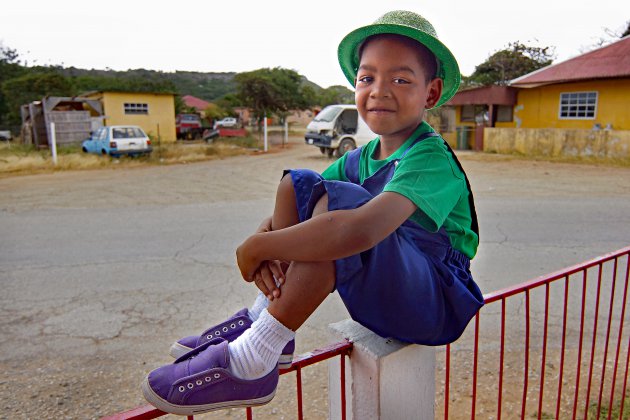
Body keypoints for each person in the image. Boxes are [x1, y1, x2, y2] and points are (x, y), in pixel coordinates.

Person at [142, 10, 484, 415]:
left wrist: (259, 247)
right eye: (367, 77)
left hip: (432, 302)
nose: (379, 90)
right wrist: (262, 241)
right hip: (394, 289)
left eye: (401, 79)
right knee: (298, 184)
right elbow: (306, 201)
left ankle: (254, 357)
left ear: (431, 93)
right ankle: (266, 319)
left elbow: (358, 230)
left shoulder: (429, 157)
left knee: (339, 216)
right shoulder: (359, 158)